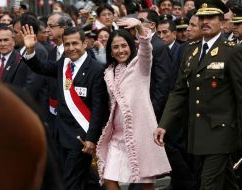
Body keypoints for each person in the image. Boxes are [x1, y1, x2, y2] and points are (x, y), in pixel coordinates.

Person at [154, 0, 241, 189]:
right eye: (202, 17)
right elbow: (179, 91)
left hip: (223, 133)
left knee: (208, 184)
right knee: (227, 183)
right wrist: (164, 124)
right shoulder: (191, 51)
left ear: (222, 22)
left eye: (211, 17)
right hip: (198, 133)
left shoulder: (232, 52)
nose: (205, 21)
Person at [21, 25, 109, 190]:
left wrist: (91, 138)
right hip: (61, 134)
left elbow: (99, 109)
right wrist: (30, 51)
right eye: (67, 44)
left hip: (81, 137)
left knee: (70, 182)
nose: (71, 48)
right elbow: (43, 68)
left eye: (75, 43)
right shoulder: (64, 62)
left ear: (84, 44)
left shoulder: (96, 70)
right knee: (86, 180)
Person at [96, 17, 171, 190]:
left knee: (145, 184)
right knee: (109, 177)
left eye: (124, 45)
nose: (120, 50)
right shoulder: (108, 72)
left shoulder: (140, 67)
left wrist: (139, 26)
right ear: (110, 51)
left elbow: (145, 49)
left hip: (141, 133)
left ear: (131, 46)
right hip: (116, 135)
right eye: (115, 47)